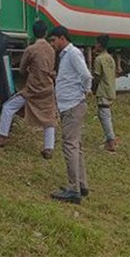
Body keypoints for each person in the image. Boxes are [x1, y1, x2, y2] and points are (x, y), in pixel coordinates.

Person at [0, 20, 57, 159]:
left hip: (32, 89)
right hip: (47, 88)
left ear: (33, 32)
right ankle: (49, 147)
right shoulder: (51, 49)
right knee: (49, 116)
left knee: (8, 107)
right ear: (46, 33)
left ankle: (2, 136)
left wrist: (30, 70)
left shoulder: (31, 49)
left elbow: (22, 70)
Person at [48, 26, 91, 205]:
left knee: (70, 146)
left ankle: (73, 190)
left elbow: (86, 76)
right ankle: (81, 184)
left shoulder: (72, 53)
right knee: (76, 146)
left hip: (72, 105)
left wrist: (83, 92)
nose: (52, 44)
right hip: (70, 105)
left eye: (53, 40)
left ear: (62, 38)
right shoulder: (66, 55)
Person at [93, 34, 118, 152]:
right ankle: (108, 139)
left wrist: (93, 89)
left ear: (100, 45)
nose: (95, 45)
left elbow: (97, 76)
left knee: (104, 115)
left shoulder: (99, 59)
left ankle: (111, 141)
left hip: (102, 91)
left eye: (96, 43)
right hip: (111, 90)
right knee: (106, 115)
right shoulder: (110, 58)